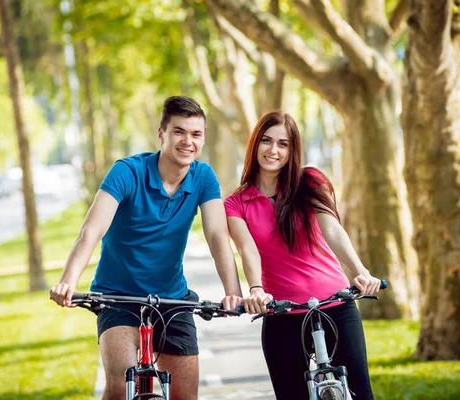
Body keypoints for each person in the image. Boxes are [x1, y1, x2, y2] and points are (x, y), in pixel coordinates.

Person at [49, 96, 243, 400]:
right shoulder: (127, 172)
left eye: (196, 134)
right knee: (119, 384)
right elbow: (91, 231)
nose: (188, 141)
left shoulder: (203, 177)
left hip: (172, 299)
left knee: (185, 394)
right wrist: (68, 282)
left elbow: (218, 235)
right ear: (161, 133)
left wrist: (233, 291)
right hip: (117, 296)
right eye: (179, 131)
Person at [224, 110, 381, 400]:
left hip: (335, 305)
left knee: (361, 394)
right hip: (282, 312)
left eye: (283, 144)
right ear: (255, 144)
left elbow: (333, 229)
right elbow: (247, 250)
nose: (273, 150)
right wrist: (256, 289)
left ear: (292, 149)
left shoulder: (309, 181)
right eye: (267, 141)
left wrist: (361, 271)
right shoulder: (236, 203)